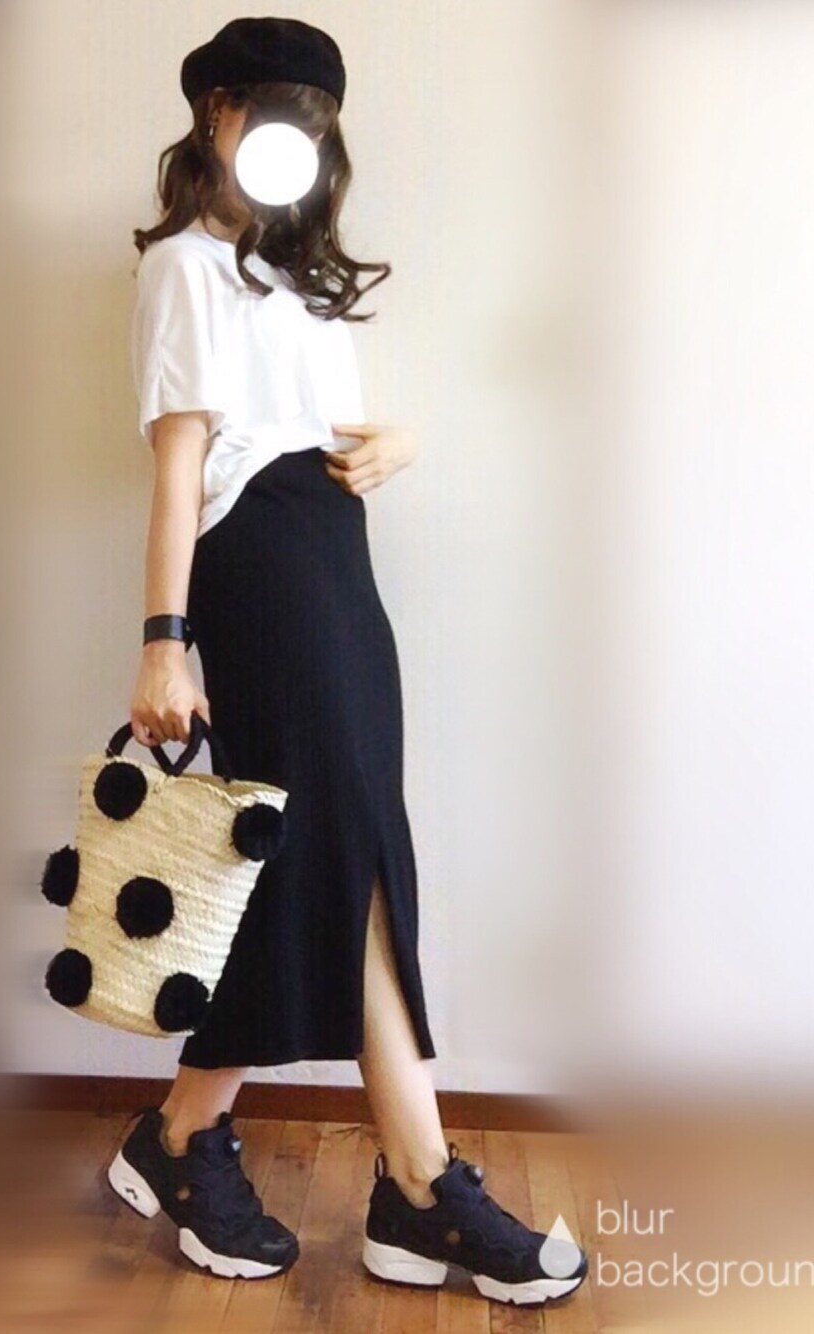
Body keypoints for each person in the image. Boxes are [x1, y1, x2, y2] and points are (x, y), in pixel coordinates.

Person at [108, 16, 588, 1307]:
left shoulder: (294, 280)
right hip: (260, 567)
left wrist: (395, 443)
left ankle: (189, 1137)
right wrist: (164, 641)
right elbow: (179, 472)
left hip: (337, 560)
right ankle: (416, 1183)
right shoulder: (185, 268)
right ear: (216, 112)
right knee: (333, 852)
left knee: (349, 849)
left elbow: (313, 421)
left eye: (315, 120)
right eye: (271, 109)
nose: (293, 138)